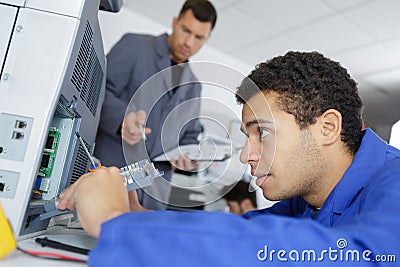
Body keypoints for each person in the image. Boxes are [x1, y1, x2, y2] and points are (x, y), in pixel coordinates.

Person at [59, 51, 400, 266]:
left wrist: (114, 221)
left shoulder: (395, 180)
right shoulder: (306, 202)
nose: (246, 154)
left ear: (327, 127)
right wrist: (140, 214)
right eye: (246, 136)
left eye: (262, 132)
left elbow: (362, 258)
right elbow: (238, 234)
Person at [94, 0, 217, 210]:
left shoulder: (194, 87)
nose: (189, 42)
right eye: (186, 30)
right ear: (175, 22)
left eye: (199, 38)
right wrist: (123, 119)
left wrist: (190, 158)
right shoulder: (135, 46)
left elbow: (189, 136)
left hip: (154, 196)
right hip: (109, 177)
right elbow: (97, 89)